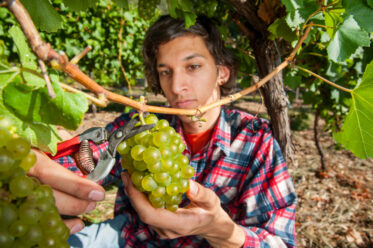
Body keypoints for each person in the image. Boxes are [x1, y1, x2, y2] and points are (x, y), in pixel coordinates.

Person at [29, 15, 297, 247]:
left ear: (222, 73)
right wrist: (40, 161)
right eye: (165, 71)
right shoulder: (142, 127)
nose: (177, 85)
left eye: (193, 67)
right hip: (131, 239)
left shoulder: (255, 140)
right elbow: (86, 158)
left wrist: (222, 233)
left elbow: (280, 241)